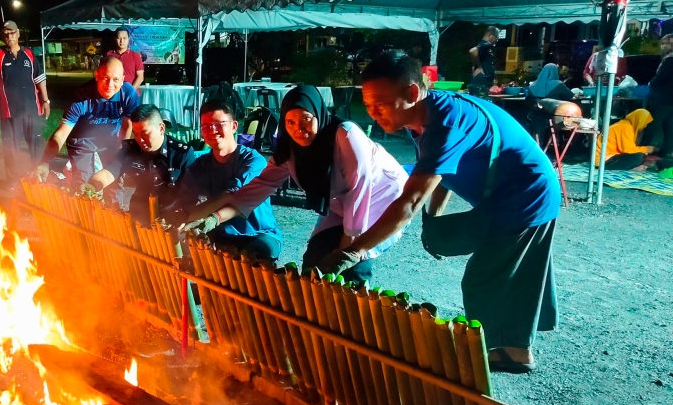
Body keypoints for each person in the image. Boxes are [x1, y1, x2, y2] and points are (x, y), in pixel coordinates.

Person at [330, 50, 560, 373]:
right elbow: (442, 172)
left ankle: (494, 351)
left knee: (488, 274)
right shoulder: (423, 117)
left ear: (411, 93)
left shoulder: (445, 122)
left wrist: (355, 251)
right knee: (513, 267)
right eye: (367, 106)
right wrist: (434, 220)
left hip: (527, 192)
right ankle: (516, 349)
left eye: (380, 104)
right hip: (512, 192)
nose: (372, 114)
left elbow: (408, 202)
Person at [182, 86, 407, 283]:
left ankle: (358, 318)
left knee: (353, 263)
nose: (298, 129)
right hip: (341, 203)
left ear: (319, 114)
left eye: (306, 119)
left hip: (381, 198)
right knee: (314, 258)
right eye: (290, 122)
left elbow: (361, 191)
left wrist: (346, 250)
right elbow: (257, 188)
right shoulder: (291, 150)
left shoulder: (346, 136)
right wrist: (215, 218)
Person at [170, 100, 282, 260]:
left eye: (218, 124)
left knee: (250, 258)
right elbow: (185, 205)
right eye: (206, 126)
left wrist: (211, 218)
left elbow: (234, 195)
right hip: (223, 234)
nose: (212, 130)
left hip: (258, 234)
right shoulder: (200, 165)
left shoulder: (253, 161)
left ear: (234, 126)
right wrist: (180, 218)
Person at [86, 104, 195, 223]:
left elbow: (192, 193)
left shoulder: (182, 154)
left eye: (145, 133)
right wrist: (91, 187)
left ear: (161, 128)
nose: (140, 140)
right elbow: (109, 172)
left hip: (170, 218)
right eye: (136, 134)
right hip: (138, 214)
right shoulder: (130, 149)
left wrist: (181, 218)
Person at [40, 57, 139, 182]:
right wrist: (44, 162)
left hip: (110, 138)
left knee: (115, 180)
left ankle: (113, 202)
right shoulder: (81, 96)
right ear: (96, 75)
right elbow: (61, 133)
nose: (110, 85)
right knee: (84, 183)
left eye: (116, 80)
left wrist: (121, 153)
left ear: (123, 79)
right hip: (82, 141)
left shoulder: (128, 94)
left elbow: (127, 125)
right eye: (105, 78)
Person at [0, 20, 51, 189]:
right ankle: (13, 180)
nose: (9, 36)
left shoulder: (29, 54)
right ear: (3, 36)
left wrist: (46, 101)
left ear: (18, 34)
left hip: (32, 109)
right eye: (6, 34)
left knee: (36, 146)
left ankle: (37, 178)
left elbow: (40, 79)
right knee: (10, 148)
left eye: (12, 33)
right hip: (9, 111)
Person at [642, 34, 673, 158]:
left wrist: (651, 83)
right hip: (669, 98)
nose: (663, 46)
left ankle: (643, 149)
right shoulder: (668, 58)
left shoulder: (670, 59)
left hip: (665, 97)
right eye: (662, 43)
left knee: (653, 123)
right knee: (668, 125)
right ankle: (665, 151)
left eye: (666, 43)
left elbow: (662, 78)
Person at [468, 26, 500, 97]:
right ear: (490, 35)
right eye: (496, 37)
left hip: (481, 83)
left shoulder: (484, 45)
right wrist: (479, 67)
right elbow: (472, 51)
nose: (497, 40)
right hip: (480, 84)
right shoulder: (485, 45)